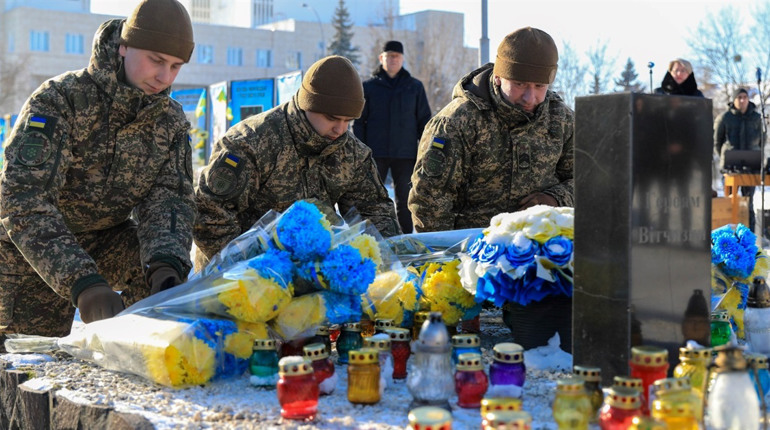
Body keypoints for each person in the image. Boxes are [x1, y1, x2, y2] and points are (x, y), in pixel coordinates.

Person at [0, 0, 196, 347]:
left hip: (105, 240)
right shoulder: (61, 100)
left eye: (176, 66)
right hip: (28, 250)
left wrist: (167, 264)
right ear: (123, 46)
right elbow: (22, 201)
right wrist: (83, 282)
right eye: (156, 60)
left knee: (156, 271)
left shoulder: (170, 121)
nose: (165, 77)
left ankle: (133, 350)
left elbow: (170, 201)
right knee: (27, 362)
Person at [194, 55, 401, 264]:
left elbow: (374, 213)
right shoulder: (251, 142)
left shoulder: (351, 153)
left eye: (348, 120)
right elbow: (211, 215)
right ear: (307, 104)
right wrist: (257, 268)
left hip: (312, 276)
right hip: (236, 278)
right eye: (331, 118)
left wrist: (390, 268)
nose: (340, 129)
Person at [408, 26, 574, 232]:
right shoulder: (457, 122)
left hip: (544, 247)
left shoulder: (561, 119)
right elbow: (430, 200)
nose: (530, 98)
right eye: (520, 84)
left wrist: (555, 198)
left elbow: (587, 180)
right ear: (498, 77)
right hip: (475, 252)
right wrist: (451, 257)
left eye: (540, 86)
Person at [353, 41, 432, 234]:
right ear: (382, 58)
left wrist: (424, 151)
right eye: (389, 56)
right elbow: (358, 121)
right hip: (375, 153)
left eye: (396, 56)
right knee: (374, 198)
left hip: (405, 154)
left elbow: (424, 122)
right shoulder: (369, 87)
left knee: (405, 200)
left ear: (402, 59)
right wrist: (362, 150)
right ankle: (374, 236)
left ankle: (405, 238)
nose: (393, 60)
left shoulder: (414, 87)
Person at [714, 87, 765, 231]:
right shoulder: (725, 118)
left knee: (748, 204)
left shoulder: (756, 117)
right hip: (731, 168)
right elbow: (717, 142)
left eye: (744, 97)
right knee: (730, 204)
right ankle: (728, 240)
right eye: (739, 98)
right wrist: (725, 158)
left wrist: (756, 155)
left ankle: (750, 239)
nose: (742, 100)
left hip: (751, 168)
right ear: (734, 100)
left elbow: (763, 140)